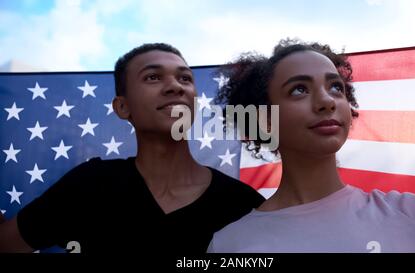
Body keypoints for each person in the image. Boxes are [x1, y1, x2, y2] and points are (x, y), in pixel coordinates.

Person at [0, 43, 265, 253]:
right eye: (152, 77)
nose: (175, 86)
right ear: (122, 107)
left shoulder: (243, 205)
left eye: (185, 78)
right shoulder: (89, 186)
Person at [208, 38, 415, 253]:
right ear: (264, 120)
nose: (326, 100)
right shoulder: (230, 244)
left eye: (336, 87)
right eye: (299, 89)